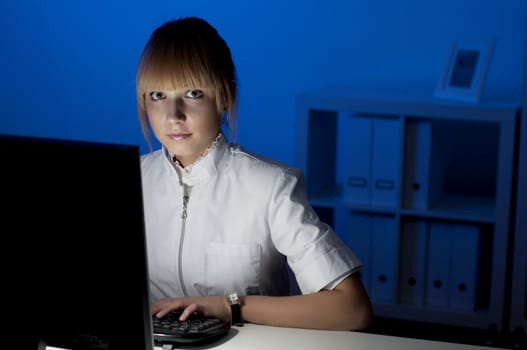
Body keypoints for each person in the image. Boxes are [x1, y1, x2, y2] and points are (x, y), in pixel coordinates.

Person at [136, 16, 373, 331]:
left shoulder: (272, 185)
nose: (173, 115)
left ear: (226, 97)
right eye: (157, 96)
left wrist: (229, 306)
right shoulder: (131, 180)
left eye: (193, 93)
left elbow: (351, 309)